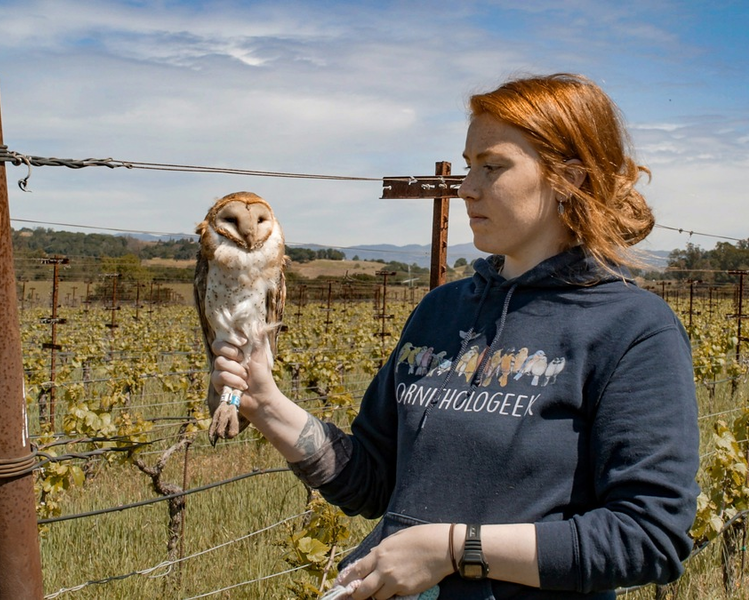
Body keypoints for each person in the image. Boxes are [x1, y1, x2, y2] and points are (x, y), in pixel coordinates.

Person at [211, 73, 700, 600]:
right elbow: (374, 480)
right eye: (469, 167)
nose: (467, 188)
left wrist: (453, 549)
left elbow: (649, 537)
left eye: (493, 167)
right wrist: (269, 405)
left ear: (570, 179)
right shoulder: (440, 311)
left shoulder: (631, 327)